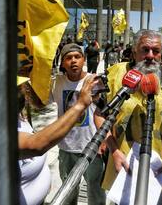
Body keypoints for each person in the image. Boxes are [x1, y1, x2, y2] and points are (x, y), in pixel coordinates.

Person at [95, 29, 162, 204]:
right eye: (145, 50)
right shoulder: (114, 75)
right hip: (122, 168)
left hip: (159, 170)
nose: (150, 56)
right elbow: (99, 114)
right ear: (134, 51)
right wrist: (113, 150)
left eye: (156, 51)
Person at [17, 74, 99, 205]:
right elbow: (36, 145)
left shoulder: (17, 115)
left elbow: (38, 105)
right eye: (17, 88)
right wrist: (80, 105)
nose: (23, 90)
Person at [52, 43, 106, 205]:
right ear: (62, 63)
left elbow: (103, 112)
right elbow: (39, 103)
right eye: (68, 58)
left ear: (84, 60)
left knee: (96, 191)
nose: (73, 61)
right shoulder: (56, 83)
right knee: (68, 192)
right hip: (66, 148)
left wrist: (104, 139)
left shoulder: (94, 81)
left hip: (92, 148)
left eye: (77, 57)